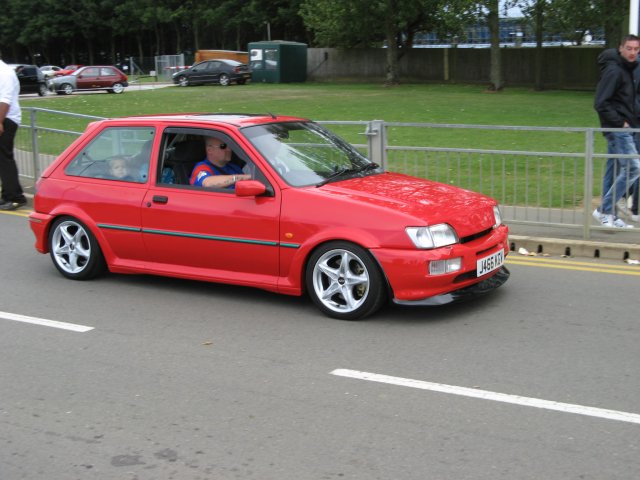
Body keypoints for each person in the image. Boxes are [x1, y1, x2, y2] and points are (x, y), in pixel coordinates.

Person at [593, 35, 640, 228]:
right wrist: (620, 123)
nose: (632, 53)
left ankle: (609, 214)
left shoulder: (628, 70)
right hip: (619, 129)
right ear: (621, 48)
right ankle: (604, 209)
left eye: (636, 49)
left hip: (626, 127)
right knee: (633, 168)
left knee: (614, 170)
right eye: (629, 48)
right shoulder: (615, 71)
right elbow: (600, 102)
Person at [0, 59, 27, 211]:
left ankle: (14, 197)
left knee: (5, 159)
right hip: (4, 118)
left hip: (7, 119)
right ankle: (10, 195)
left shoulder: (4, 72)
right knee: (3, 159)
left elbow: (5, 100)